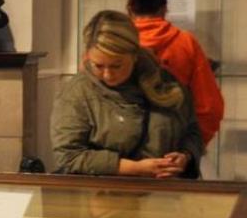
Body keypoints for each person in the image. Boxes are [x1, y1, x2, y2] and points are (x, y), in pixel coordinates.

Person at [51, 10, 201, 177]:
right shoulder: (78, 93)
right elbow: (68, 156)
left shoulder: (165, 82)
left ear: (134, 56)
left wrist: (185, 156)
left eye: (116, 66)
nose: (107, 75)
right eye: (98, 66)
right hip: (104, 197)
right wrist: (136, 169)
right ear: (88, 57)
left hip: (165, 194)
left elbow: (192, 129)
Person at [126, 0, 224, 145]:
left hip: (122, 147)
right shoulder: (185, 43)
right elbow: (210, 107)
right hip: (172, 145)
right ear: (164, 8)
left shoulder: (116, 42)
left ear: (129, 9)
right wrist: (190, 148)